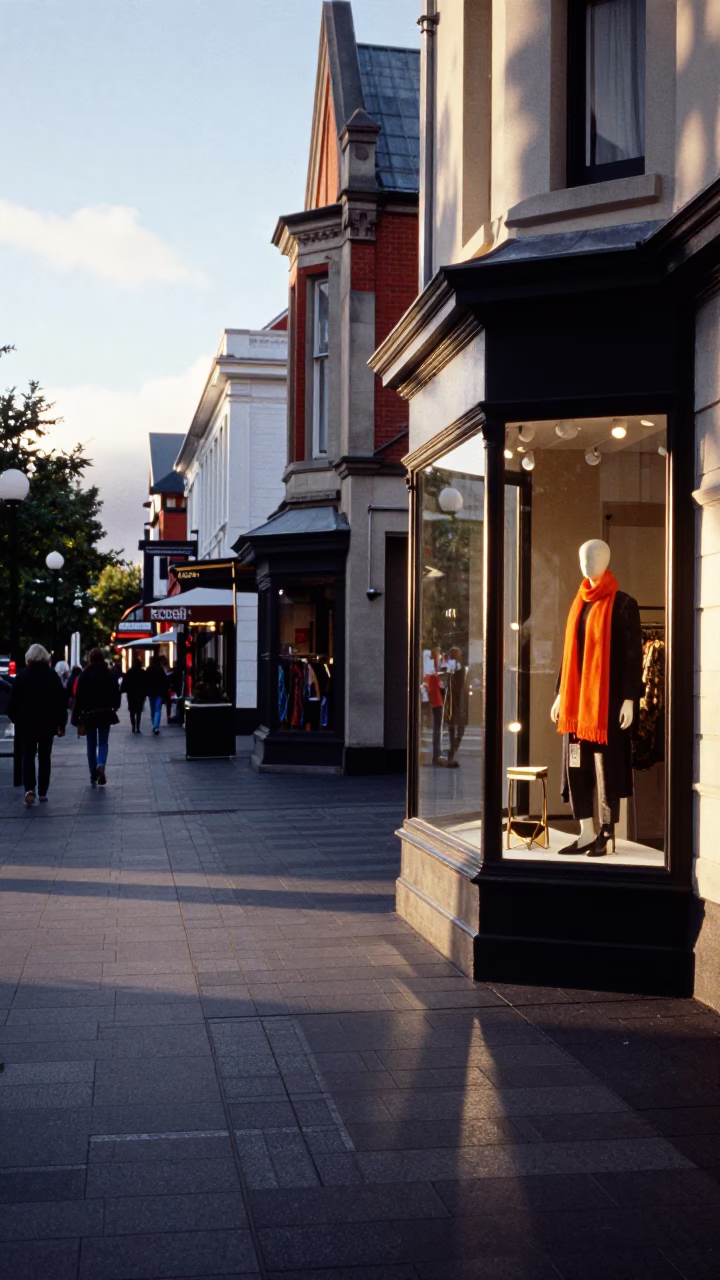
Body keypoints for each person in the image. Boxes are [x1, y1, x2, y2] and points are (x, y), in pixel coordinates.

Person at [7, 643, 67, 805]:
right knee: (45, 757)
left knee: (28, 755)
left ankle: (29, 789)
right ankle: (43, 791)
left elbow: (13, 701)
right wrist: (61, 724)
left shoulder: (22, 675)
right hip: (47, 722)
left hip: (26, 723)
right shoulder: (52, 675)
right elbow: (60, 702)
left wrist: (15, 718)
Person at [72, 649, 121, 786]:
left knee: (91, 744)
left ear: (90, 659)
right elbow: (116, 691)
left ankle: (93, 774)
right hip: (105, 713)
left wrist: (75, 717)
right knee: (103, 742)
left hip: (90, 714)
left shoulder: (84, 674)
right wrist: (115, 705)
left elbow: (79, 697)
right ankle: (101, 764)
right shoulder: (109, 673)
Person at [121, 657, 147, 733]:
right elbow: (146, 683)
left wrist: (123, 689)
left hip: (131, 693)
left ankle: (133, 725)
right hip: (140, 693)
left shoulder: (129, 672)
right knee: (139, 711)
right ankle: (138, 726)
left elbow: (125, 682)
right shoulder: (142, 672)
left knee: (132, 710)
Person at [145, 654, 169, 735]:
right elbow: (165, 681)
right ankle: (156, 726)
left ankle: (154, 725)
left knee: (152, 709)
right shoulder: (160, 670)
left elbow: (145, 681)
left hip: (151, 693)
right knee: (158, 709)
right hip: (159, 693)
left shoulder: (148, 669)